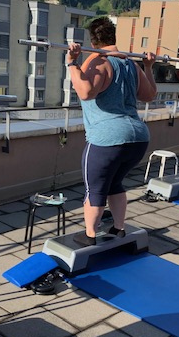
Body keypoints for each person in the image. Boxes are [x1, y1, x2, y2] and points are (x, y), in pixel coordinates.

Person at [66, 17, 157, 247]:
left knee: (95, 189)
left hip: (107, 138)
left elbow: (86, 92)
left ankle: (89, 235)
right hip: (137, 138)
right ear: (113, 37)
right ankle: (118, 229)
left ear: (93, 40)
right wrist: (148, 67)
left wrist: (72, 64)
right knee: (115, 183)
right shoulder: (131, 64)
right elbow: (149, 95)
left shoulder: (98, 61)